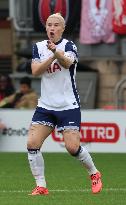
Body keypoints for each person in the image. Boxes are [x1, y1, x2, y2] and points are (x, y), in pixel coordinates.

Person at [27, 13, 102, 196]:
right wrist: (51, 56)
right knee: (32, 144)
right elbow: (36, 71)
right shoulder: (38, 47)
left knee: (72, 148)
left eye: (55, 25)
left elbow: (68, 63)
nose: (52, 28)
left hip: (68, 105)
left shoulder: (69, 45)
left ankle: (94, 173)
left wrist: (56, 52)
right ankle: (41, 186)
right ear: (46, 28)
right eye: (49, 25)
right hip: (46, 106)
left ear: (62, 28)